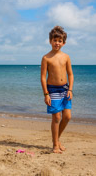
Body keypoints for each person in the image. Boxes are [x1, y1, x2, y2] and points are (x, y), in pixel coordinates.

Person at [41, 26, 74, 154]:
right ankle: (55, 144)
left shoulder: (66, 57)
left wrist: (70, 90)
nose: (57, 43)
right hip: (53, 90)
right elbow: (43, 78)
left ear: (63, 43)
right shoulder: (46, 58)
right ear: (50, 41)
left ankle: (57, 139)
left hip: (65, 89)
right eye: (55, 40)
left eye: (60, 41)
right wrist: (46, 94)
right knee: (56, 117)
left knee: (67, 117)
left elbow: (70, 74)